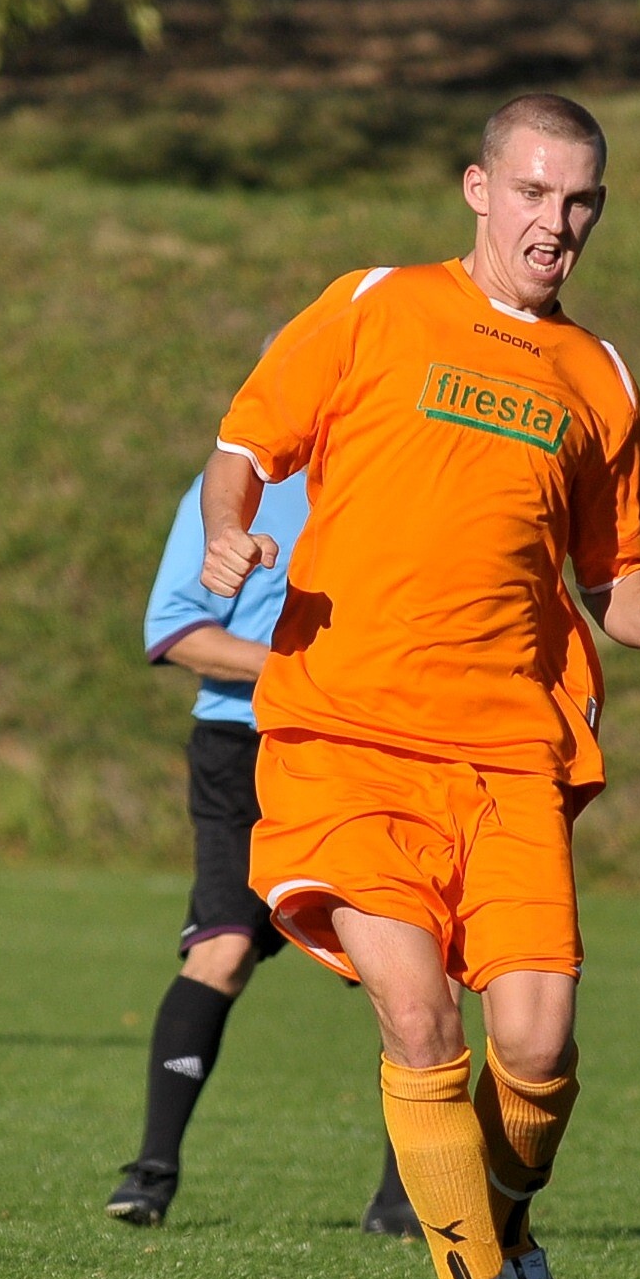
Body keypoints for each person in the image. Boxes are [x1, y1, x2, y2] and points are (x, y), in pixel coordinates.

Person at [200, 93, 640, 1279]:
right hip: (346, 732)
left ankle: (509, 1230)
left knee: (536, 1050)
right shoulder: (374, 303)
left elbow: (616, 575)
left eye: (579, 200)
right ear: (478, 188)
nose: (556, 222)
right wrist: (226, 530)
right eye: (533, 192)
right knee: (420, 1015)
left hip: (507, 752)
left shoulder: (598, 376)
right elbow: (242, 444)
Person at [108, 467, 419, 1233]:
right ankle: (150, 1173)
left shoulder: (405, 474)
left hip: (371, 751)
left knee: (412, 968)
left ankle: (404, 1198)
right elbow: (175, 628)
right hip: (245, 747)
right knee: (222, 950)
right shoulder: (235, 489)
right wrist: (304, 673)